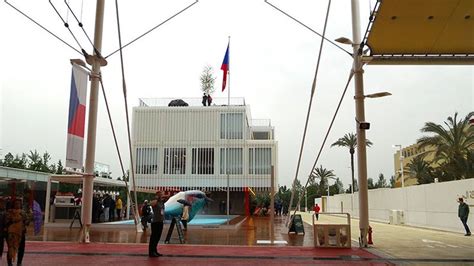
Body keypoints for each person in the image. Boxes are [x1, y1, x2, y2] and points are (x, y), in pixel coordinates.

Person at [6, 199, 32, 266]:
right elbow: (6, 222)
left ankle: (19, 262)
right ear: (13, 204)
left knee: (21, 249)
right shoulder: (9, 212)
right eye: (16, 203)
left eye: (19, 204)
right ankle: (9, 263)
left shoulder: (23, 213)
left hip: (21, 233)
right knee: (11, 248)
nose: (18, 205)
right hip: (12, 233)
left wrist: (29, 215)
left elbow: (27, 223)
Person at [149, 191, 165, 257]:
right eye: (161, 195)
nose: (162, 195)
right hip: (155, 222)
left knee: (158, 237)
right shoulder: (155, 202)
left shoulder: (161, 202)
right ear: (157, 195)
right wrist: (157, 198)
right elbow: (151, 204)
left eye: (162, 194)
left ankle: (155, 250)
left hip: (160, 221)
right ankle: (151, 252)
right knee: (153, 238)